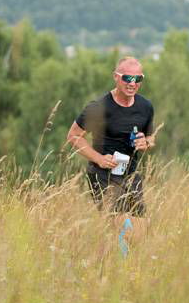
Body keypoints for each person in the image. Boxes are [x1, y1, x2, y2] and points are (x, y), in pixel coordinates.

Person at [66, 57, 155, 256]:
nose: (132, 83)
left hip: (131, 175)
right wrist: (98, 158)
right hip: (102, 174)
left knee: (140, 231)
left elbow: (151, 137)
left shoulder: (145, 107)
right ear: (116, 77)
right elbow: (73, 136)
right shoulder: (98, 107)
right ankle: (114, 267)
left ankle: (114, 265)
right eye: (127, 78)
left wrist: (146, 142)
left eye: (138, 78)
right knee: (123, 227)